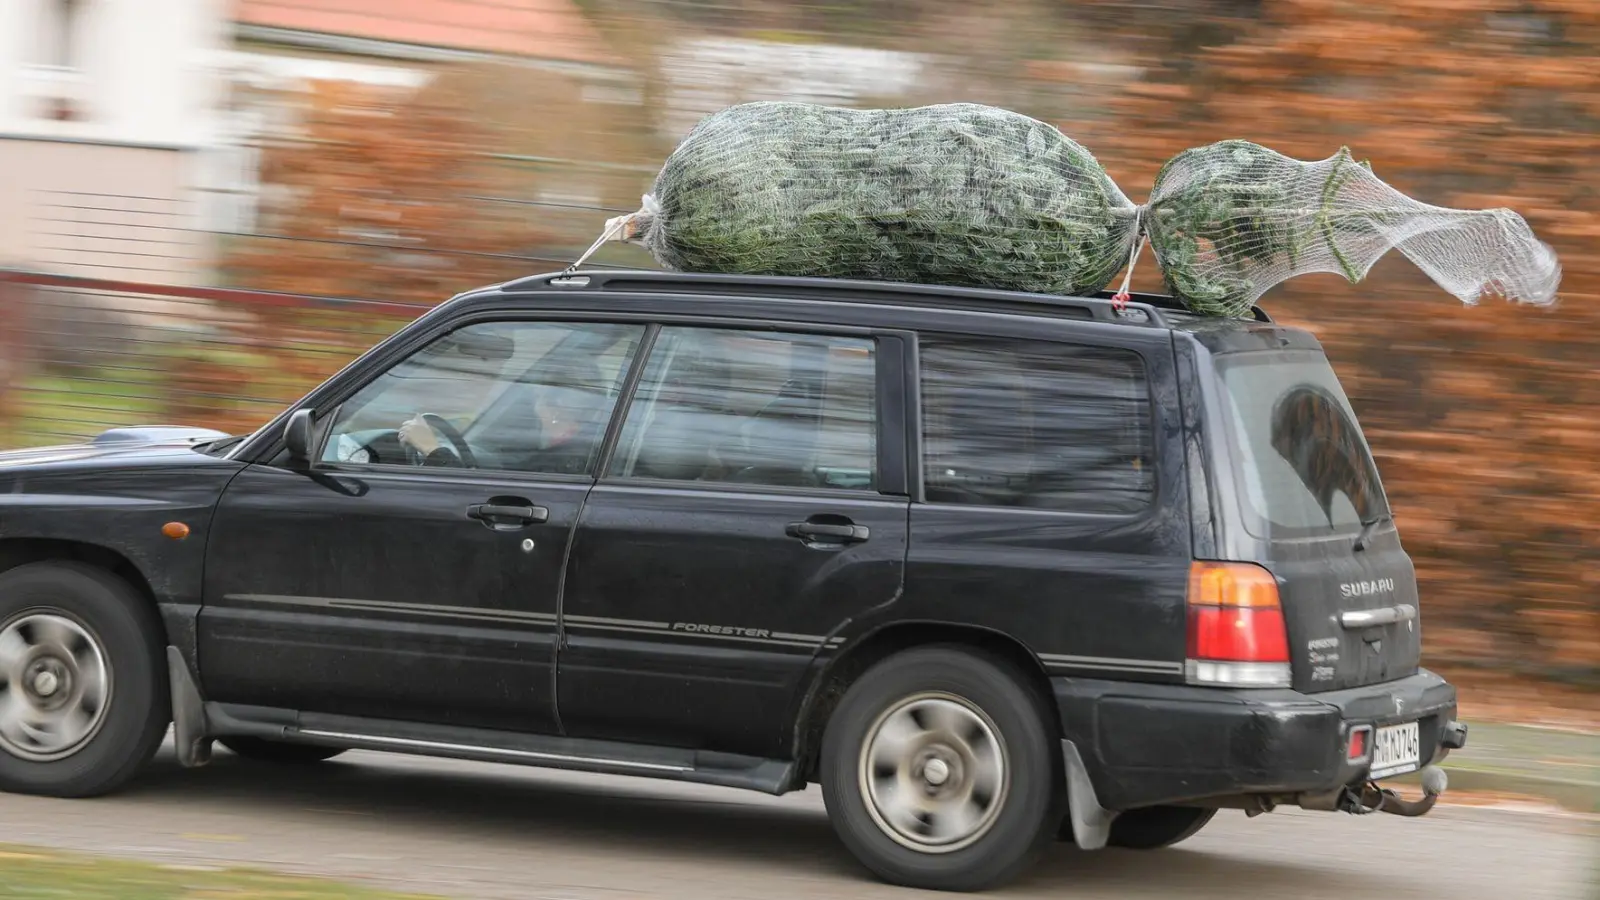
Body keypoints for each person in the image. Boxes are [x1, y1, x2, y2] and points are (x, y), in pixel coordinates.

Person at [398, 385, 604, 475]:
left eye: (536, 401)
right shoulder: (589, 450)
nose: (532, 410)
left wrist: (431, 449)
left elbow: (466, 494)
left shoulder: (561, 461)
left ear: (556, 410)